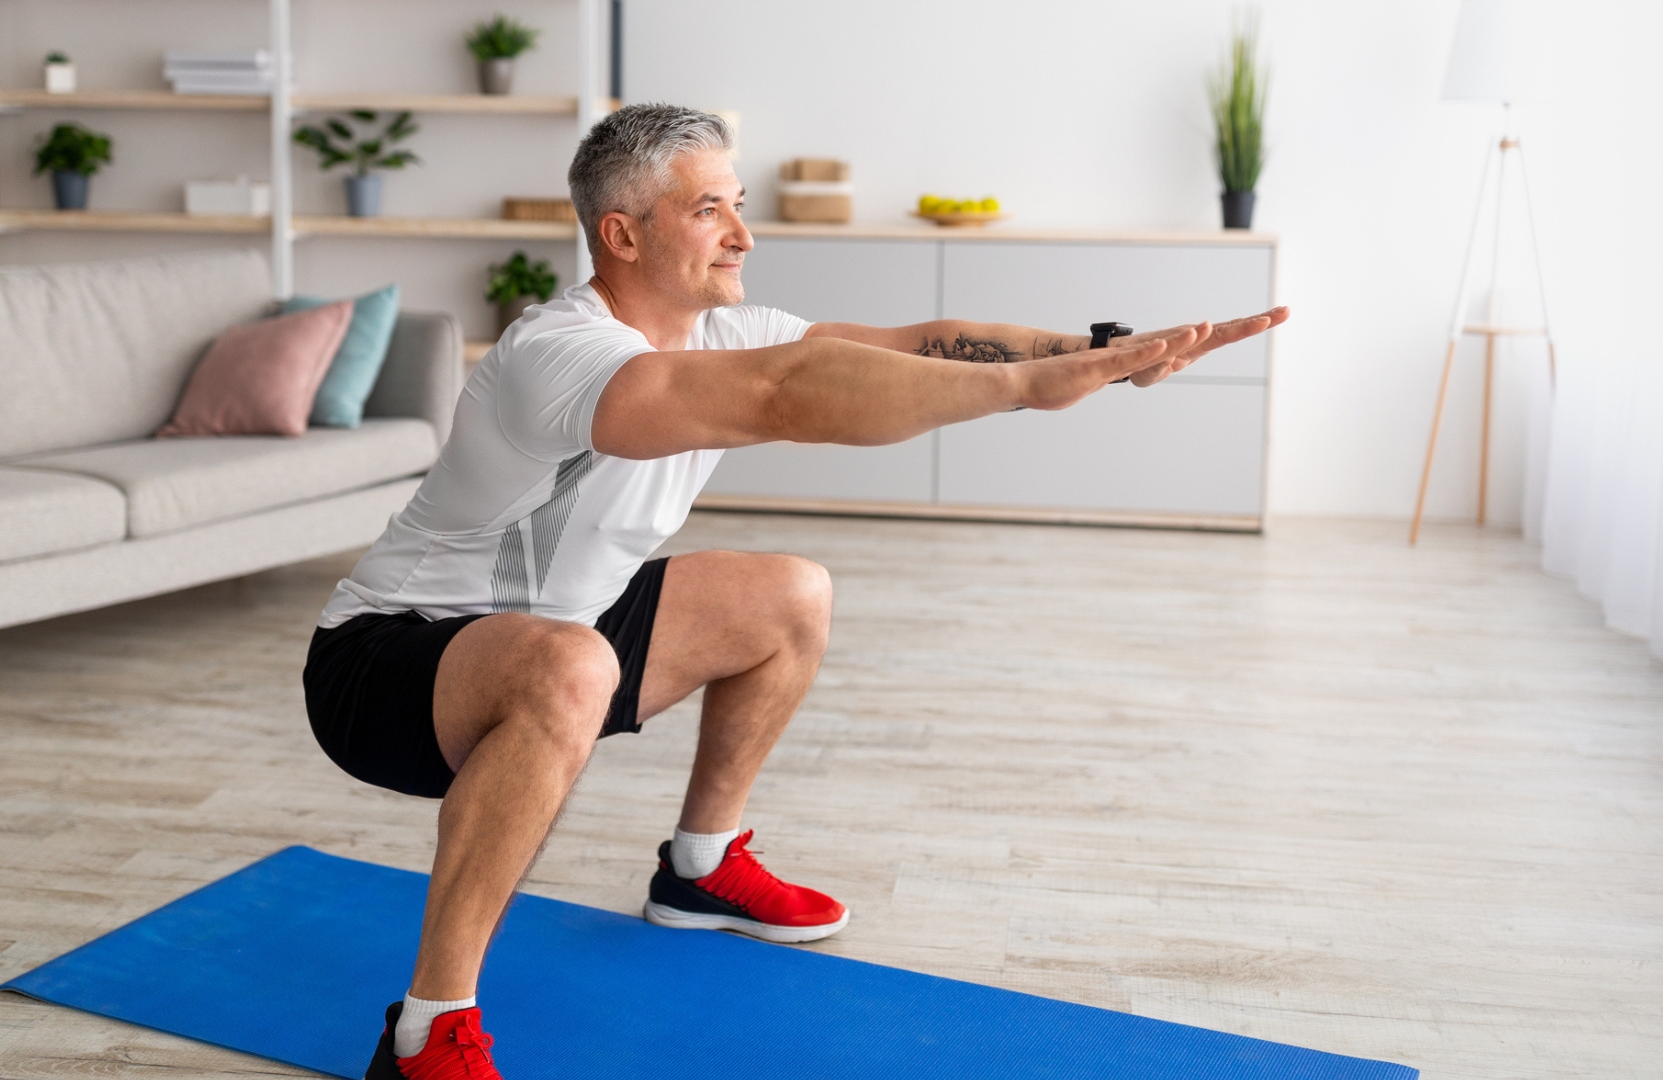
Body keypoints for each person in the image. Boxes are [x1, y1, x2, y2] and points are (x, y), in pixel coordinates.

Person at [303, 103, 1288, 1080]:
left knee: (790, 595)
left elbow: (921, 344)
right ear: (623, 232)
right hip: (389, 662)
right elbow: (787, 394)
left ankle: (701, 870)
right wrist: (1025, 391)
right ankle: (428, 1034)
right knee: (571, 664)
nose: (744, 232)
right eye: (709, 210)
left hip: (564, 630)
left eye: (738, 203)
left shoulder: (730, 328)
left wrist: (1096, 354)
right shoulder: (562, 354)